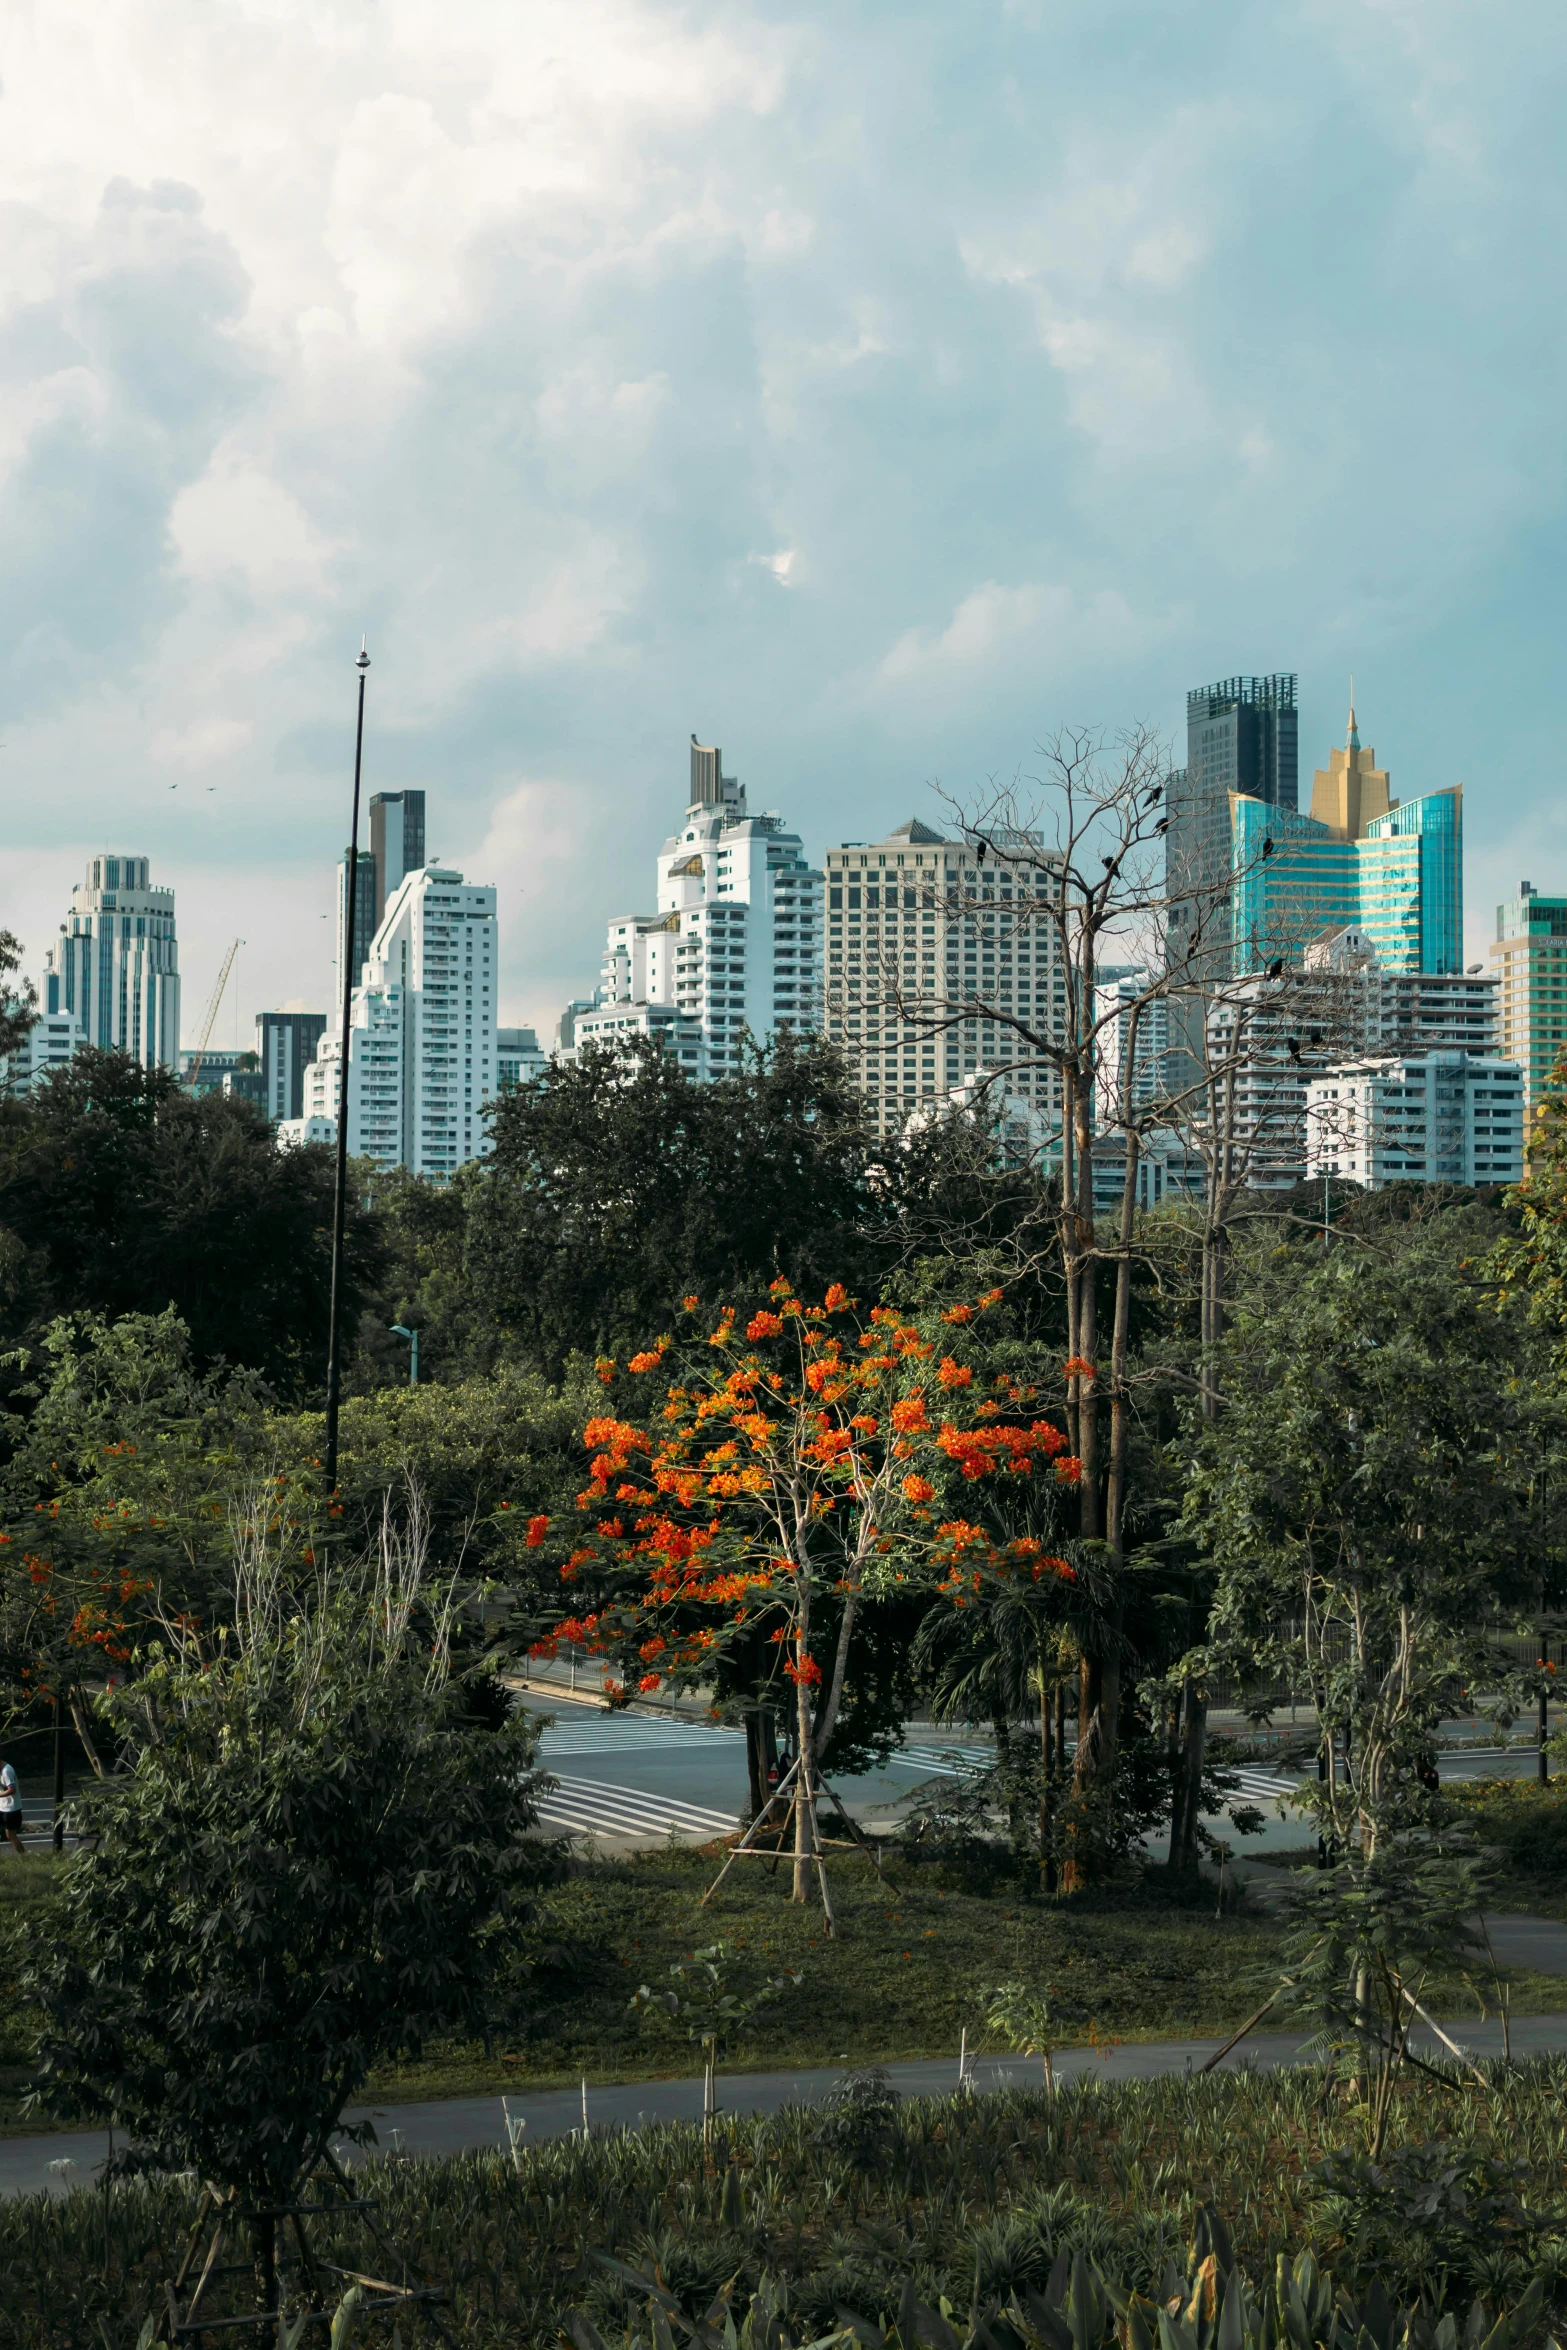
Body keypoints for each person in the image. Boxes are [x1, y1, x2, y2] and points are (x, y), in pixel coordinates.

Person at [0, 1757, 23, 1855]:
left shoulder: (6, 1771)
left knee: (10, 1835)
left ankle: (24, 1856)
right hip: (2, 1806)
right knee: (8, 1834)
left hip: (11, 1808)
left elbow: (11, 1790)